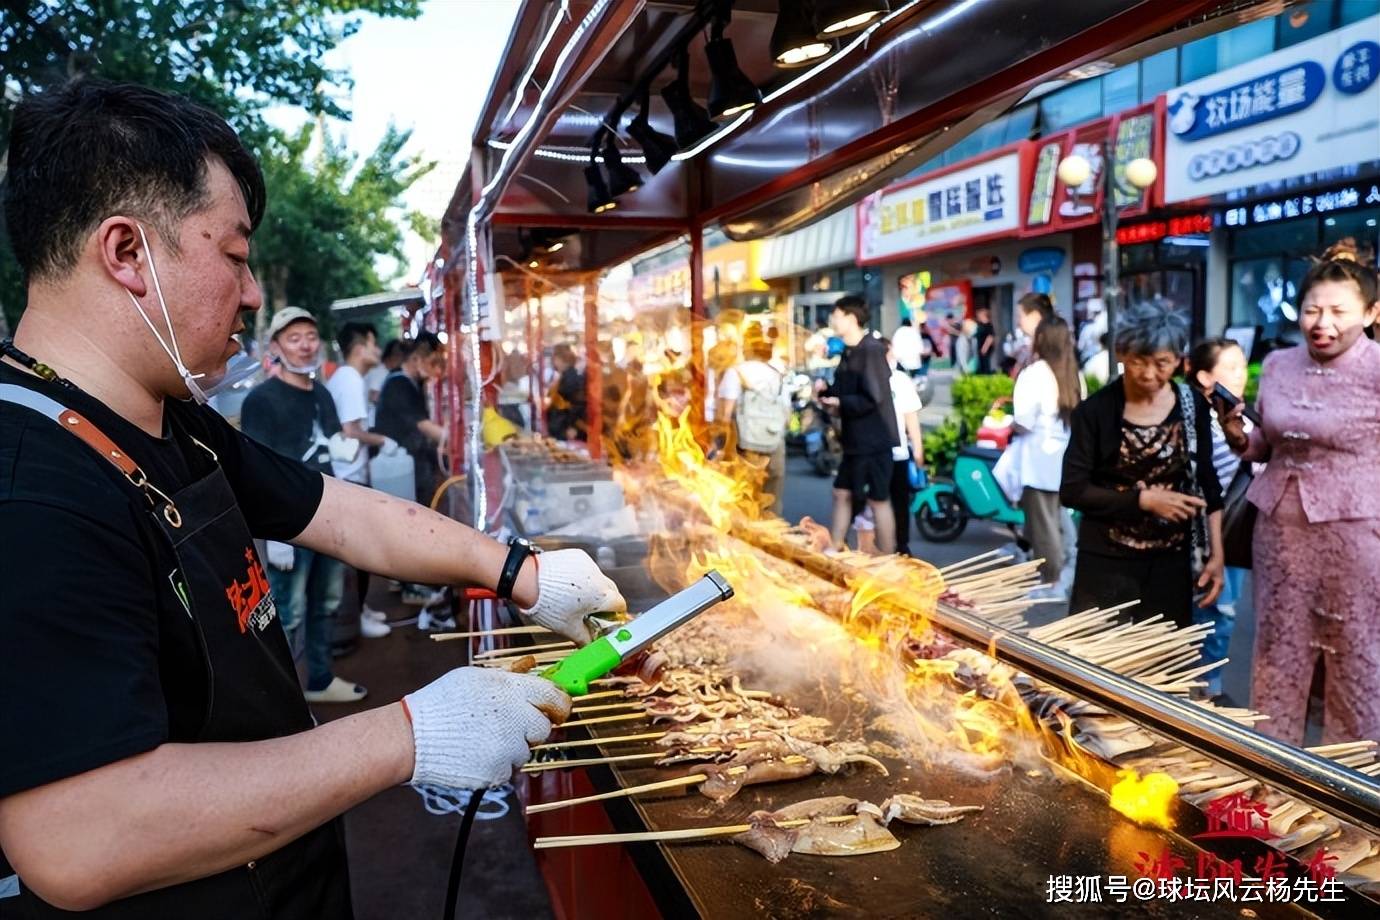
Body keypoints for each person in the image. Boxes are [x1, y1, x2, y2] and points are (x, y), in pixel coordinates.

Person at [0, 80, 624, 917]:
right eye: (234, 255)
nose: (252, 292)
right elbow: (79, 837)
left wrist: (519, 570)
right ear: (126, 253)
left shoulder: (172, 419)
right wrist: (412, 732)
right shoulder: (28, 487)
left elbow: (336, 509)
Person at [1220, 244, 1380, 743]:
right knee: (1277, 650)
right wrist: (1237, 434)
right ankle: (1272, 770)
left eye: (1338, 312)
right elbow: (1265, 441)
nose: (1322, 323)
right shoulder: (1277, 365)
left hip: (1356, 533)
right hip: (1281, 530)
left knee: (1355, 652)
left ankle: (1351, 783)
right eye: (1312, 310)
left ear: (1372, 313)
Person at [1060, 302, 1225, 627]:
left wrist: (1217, 555)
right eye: (1139, 361)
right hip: (1105, 566)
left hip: (1170, 566)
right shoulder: (1095, 412)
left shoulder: (1192, 406)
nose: (1150, 374)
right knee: (1093, 670)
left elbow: (1208, 483)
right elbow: (1073, 491)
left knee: (1163, 672)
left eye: (1162, 363)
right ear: (1121, 352)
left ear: (1179, 360)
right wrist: (1143, 500)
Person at [240, 308, 366, 702]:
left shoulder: (322, 393)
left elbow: (334, 442)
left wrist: (344, 449)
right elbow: (255, 469)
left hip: (329, 516)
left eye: (310, 336)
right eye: (294, 338)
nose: (305, 344)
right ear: (276, 347)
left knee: (325, 603)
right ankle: (286, 702)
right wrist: (273, 532)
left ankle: (321, 680)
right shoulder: (261, 400)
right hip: (288, 526)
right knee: (286, 613)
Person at [1185, 336, 1250, 699]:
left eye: (1243, 365)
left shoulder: (1233, 414)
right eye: (1232, 367)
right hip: (1212, 531)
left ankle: (1207, 684)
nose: (1241, 374)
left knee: (1222, 610)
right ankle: (1203, 687)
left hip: (1235, 529)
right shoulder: (1200, 419)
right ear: (1206, 377)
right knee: (1214, 609)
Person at [326, 321, 394, 640]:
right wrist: (382, 440)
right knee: (359, 552)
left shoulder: (347, 377)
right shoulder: (351, 378)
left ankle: (361, 610)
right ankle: (355, 619)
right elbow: (351, 431)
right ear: (360, 347)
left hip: (347, 475)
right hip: (349, 478)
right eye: (374, 343)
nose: (377, 350)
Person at [819, 297, 899, 554]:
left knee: (878, 500)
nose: (833, 320)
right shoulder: (848, 352)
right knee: (841, 492)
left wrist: (840, 402)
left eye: (837, 315)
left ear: (852, 319)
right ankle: (835, 547)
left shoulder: (871, 350)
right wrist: (826, 394)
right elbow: (843, 390)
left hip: (874, 441)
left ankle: (890, 559)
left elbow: (873, 397)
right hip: (854, 441)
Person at [717, 324, 790, 516]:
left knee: (746, 495)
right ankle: (773, 538)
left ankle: (749, 539)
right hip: (774, 442)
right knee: (772, 497)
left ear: (746, 350)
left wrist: (721, 444)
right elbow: (787, 414)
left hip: (745, 445)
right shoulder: (777, 375)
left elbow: (726, 414)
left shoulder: (736, 372)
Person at [374, 333, 447, 509]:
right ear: (416, 359)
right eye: (432, 363)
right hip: (402, 464)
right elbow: (423, 425)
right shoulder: (399, 384)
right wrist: (456, 441)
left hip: (410, 461)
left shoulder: (408, 381)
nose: (436, 371)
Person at [885, 339, 925, 556]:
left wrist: (918, 449)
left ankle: (900, 546)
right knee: (887, 503)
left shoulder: (900, 380)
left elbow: (911, 417)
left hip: (896, 452)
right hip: (882, 453)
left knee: (897, 502)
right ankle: (891, 547)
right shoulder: (870, 378)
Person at [546, 342, 587, 440]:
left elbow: (577, 405)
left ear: (559, 359)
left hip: (565, 429)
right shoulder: (566, 376)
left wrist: (573, 427)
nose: (553, 362)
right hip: (562, 426)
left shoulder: (569, 379)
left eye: (554, 358)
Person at [1009, 292, 1055, 377]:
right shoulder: (1029, 347)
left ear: (1035, 315)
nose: (1018, 322)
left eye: (1020, 316)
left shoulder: (1049, 348)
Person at [364, 337, 403, 422]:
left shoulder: (390, 373)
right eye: (398, 355)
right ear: (392, 356)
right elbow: (373, 396)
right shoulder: (379, 371)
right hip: (373, 421)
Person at [972, 305, 995, 374]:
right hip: (980, 347)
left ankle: (987, 376)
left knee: (985, 363)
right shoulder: (980, 324)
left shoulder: (988, 325)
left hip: (985, 348)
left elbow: (990, 337)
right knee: (981, 364)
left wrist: (985, 347)